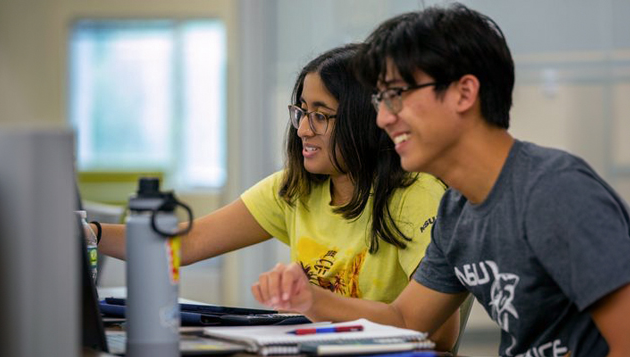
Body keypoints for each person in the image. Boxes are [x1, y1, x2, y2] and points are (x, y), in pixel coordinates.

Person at [251, 4, 630, 356]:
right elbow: (408, 321)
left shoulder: (554, 190)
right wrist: (310, 300)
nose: (383, 118)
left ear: (464, 93)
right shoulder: (457, 210)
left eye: (396, 94)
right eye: (380, 100)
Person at [96, 43, 456, 339]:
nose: (302, 130)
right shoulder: (295, 189)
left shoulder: (415, 195)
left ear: (363, 120)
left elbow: (437, 335)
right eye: (301, 112)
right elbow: (183, 245)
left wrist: (313, 300)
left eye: (321, 115)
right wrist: (91, 233)